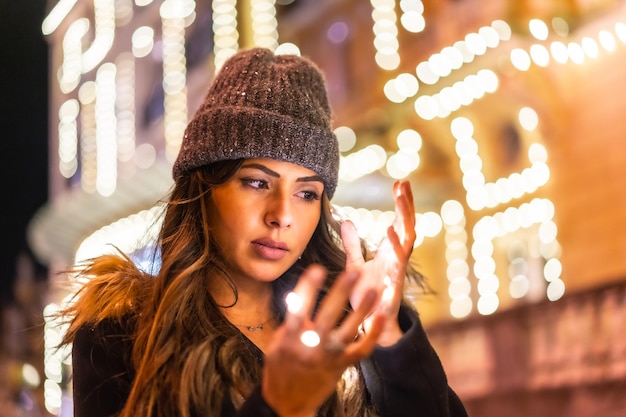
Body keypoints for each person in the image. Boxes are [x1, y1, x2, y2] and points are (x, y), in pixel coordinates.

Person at [58, 47, 468, 417]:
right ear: (205, 187)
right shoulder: (122, 333)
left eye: (307, 193)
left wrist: (391, 339)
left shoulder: (350, 326)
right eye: (256, 182)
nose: (282, 215)